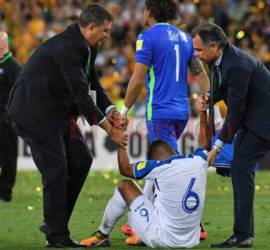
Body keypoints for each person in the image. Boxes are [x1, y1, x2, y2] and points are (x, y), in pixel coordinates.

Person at [6, 4, 127, 248]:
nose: (107, 35)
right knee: (57, 168)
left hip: (55, 113)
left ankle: (54, 220)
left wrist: (111, 110)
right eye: (104, 30)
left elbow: (94, 86)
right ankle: (57, 236)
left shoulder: (86, 46)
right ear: (91, 28)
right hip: (34, 113)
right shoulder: (69, 48)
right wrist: (109, 130)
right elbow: (81, 96)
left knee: (81, 160)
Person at [193, 22, 270, 248]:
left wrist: (217, 147)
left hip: (269, 116)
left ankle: (242, 235)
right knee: (240, 168)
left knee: (240, 166)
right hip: (254, 114)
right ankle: (243, 234)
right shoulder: (220, 60)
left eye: (199, 49)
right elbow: (224, 89)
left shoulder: (236, 65)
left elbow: (236, 112)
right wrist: (209, 97)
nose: (196, 54)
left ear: (215, 47)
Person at [80, 139, 208, 248]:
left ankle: (102, 235)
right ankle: (140, 232)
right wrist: (203, 114)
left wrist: (121, 143)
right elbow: (205, 144)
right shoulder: (197, 161)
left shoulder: (159, 167)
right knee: (153, 181)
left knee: (125, 185)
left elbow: (124, 169)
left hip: (162, 239)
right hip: (191, 240)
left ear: (154, 159)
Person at [120, 0, 209, 152]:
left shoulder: (146, 37)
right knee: (158, 160)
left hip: (160, 111)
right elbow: (200, 73)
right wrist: (209, 101)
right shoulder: (185, 38)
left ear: (148, 12)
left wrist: (124, 111)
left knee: (167, 164)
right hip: (182, 112)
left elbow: (137, 80)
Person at [0, 31, 22, 202]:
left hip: (6, 118)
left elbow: (20, 94)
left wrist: (12, 115)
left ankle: (5, 191)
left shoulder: (14, 67)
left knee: (8, 155)